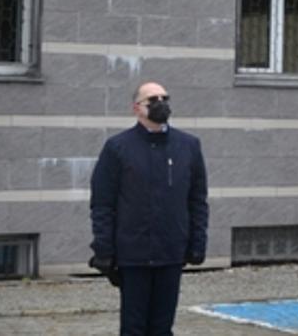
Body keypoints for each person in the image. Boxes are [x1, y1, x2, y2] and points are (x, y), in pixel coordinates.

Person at [89, 81, 209, 336]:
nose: (160, 103)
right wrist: (104, 250)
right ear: (136, 109)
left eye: (165, 98)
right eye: (152, 100)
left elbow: (197, 200)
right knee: (133, 327)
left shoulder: (188, 146)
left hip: (171, 252)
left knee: (162, 327)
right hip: (133, 254)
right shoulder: (118, 148)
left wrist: (197, 243)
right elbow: (102, 203)